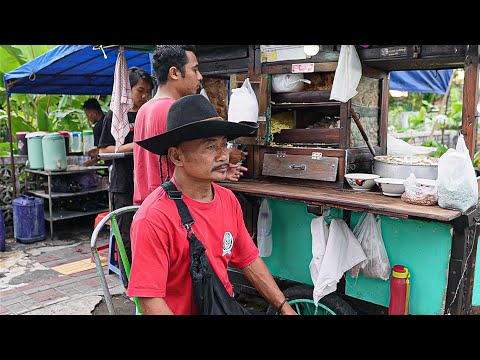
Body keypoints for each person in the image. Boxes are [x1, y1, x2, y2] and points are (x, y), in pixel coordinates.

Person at [127, 94, 297, 315]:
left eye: (223, 144)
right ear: (177, 156)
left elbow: (248, 259)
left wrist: (284, 307)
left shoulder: (227, 200)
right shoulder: (154, 217)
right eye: (210, 147)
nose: (223, 156)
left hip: (222, 307)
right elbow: (150, 301)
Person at [133, 45, 248, 206]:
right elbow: (190, 153)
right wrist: (228, 153)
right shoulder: (176, 113)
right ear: (174, 73)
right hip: (173, 205)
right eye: (194, 70)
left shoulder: (145, 109)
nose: (200, 77)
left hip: (148, 201)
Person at [97, 66, 154, 287]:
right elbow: (103, 151)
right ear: (127, 90)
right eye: (140, 90)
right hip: (123, 185)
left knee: (146, 235)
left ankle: (148, 281)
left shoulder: (146, 113)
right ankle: (131, 285)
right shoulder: (115, 115)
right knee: (126, 236)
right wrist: (133, 146)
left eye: (147, 91)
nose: (144, 96)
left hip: (146, 182)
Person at [82, 98, 108, 166]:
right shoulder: (109, 119)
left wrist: (90, 162)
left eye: (87, 115)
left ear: (94, 113)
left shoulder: (97, 127)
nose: (88, 118)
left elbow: (100, 152)